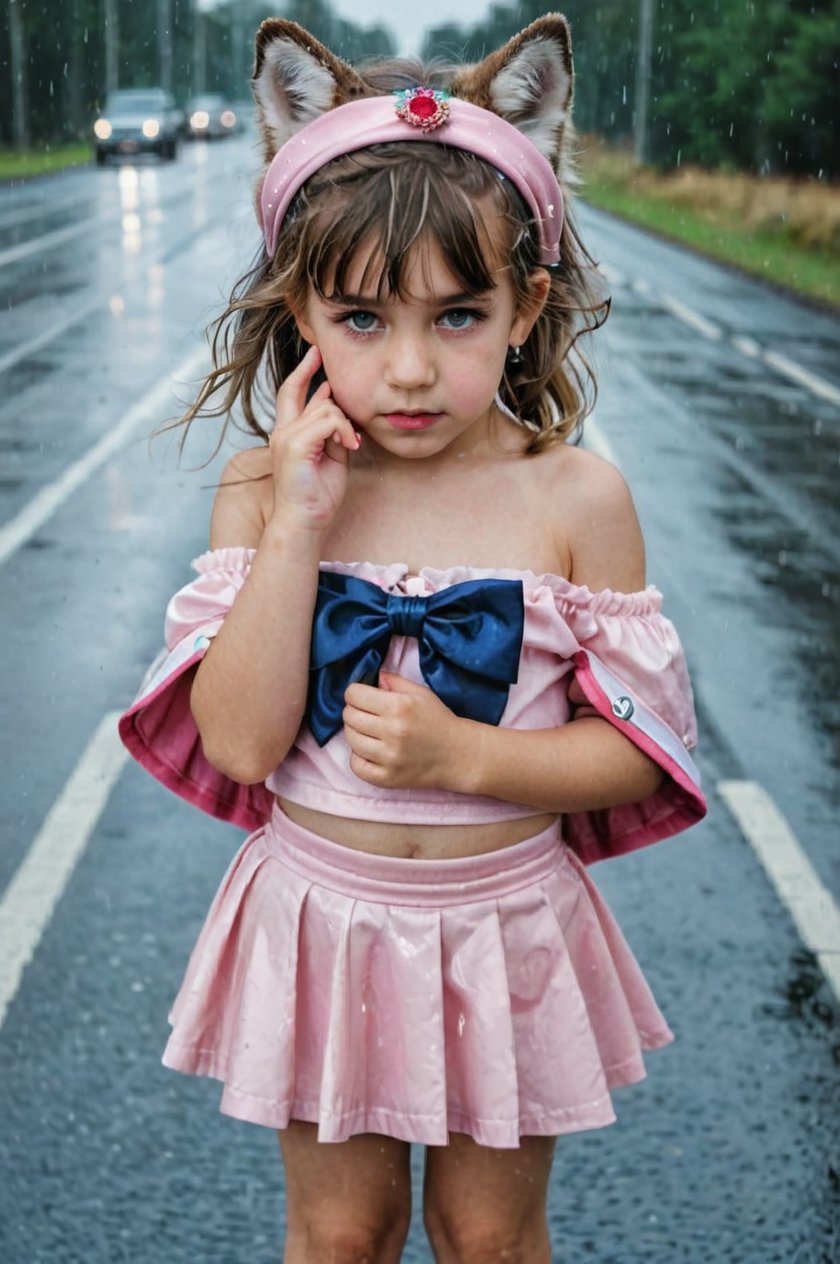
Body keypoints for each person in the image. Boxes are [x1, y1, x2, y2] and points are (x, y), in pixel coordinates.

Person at [120, 13, 706, 1262]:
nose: (408, 372)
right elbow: (236, 739)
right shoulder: (262, 488)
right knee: (343, 1234)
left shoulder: (577, 500)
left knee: (490, 1238)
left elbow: (644, 758)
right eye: (363, 319)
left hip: (507, 924)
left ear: (526, 303)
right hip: (322, 921)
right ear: (301, 309)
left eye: (456, 317)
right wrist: (297, 530)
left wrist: (466, 759)